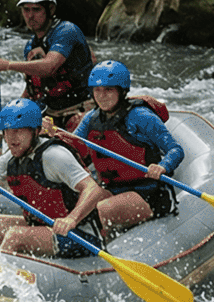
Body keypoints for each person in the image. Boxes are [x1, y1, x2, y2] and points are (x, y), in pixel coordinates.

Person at [69, 61, 184, 236]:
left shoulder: (140, 116)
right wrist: (50, 133)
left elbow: (175, 150)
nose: (102, 96)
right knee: (75, 208)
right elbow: (71, 144)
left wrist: (162, 166)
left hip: (148, 192)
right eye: (97, 90)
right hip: (111, 189)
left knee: (99, 211)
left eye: (108, 90)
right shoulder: (91, 118)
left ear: (121, 91)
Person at [0, 99, 107, 258]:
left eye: (19, 131)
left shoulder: (54, 155)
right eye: (7, 131)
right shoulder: (9, 160)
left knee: (15, 235)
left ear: (35, 131)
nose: (11, 138)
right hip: (42, 226)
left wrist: (71, 219)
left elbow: (93, 189)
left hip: (78, 234)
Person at [0, 0, 95, 120]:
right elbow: (33, 89)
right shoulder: (31, 47)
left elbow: (48, 66)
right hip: (51, 112)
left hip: (81, 108)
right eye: (26, 10)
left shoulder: (67, 31)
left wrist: (8, 65)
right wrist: (10, 115)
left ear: (50, 9)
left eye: (36, 9)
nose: (30, 16)